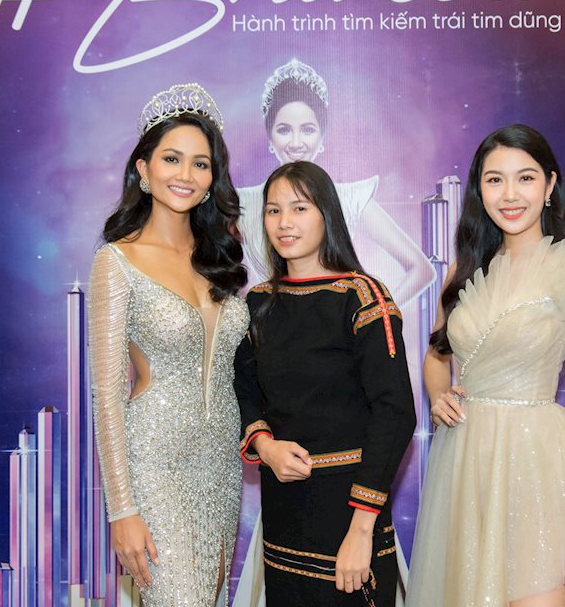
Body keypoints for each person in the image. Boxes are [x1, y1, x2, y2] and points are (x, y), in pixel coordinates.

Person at [406, 125, 565, 607]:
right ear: (479, 190)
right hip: (467, 467)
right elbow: (435, 356)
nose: (510, 194)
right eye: (495, 180)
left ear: (550, 185)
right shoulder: (463, 271)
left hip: (540, 468)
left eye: (525, 178)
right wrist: (438, 393)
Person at [87, 83, 249, 607]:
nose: (186, 174)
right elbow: (107, 395)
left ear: (212, 179)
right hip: (154, 464)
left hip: (221, 466)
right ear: (144, 168)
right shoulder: (117, 260)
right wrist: (121, 509)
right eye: (172, 159)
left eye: (201, 164)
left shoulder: (221, 257)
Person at [234, 161, 417, 606]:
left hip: (350, 521)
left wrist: (361, 529)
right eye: (273, 210)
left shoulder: (363, 296)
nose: (285, 222)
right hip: (284, 520)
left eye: (299, 208)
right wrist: (266, 447)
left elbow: (395, 414)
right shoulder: (258, 303)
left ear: (327, 214)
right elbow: (245, 390)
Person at [236, 58, 436, 305]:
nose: (296, 142)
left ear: (322, 136)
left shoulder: (350, 199)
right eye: (284, 130)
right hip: (273, 326)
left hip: (335, 324)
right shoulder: (244, 203)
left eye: (308, 130)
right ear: (270, 136)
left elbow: (420, 269)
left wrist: (371, 316)